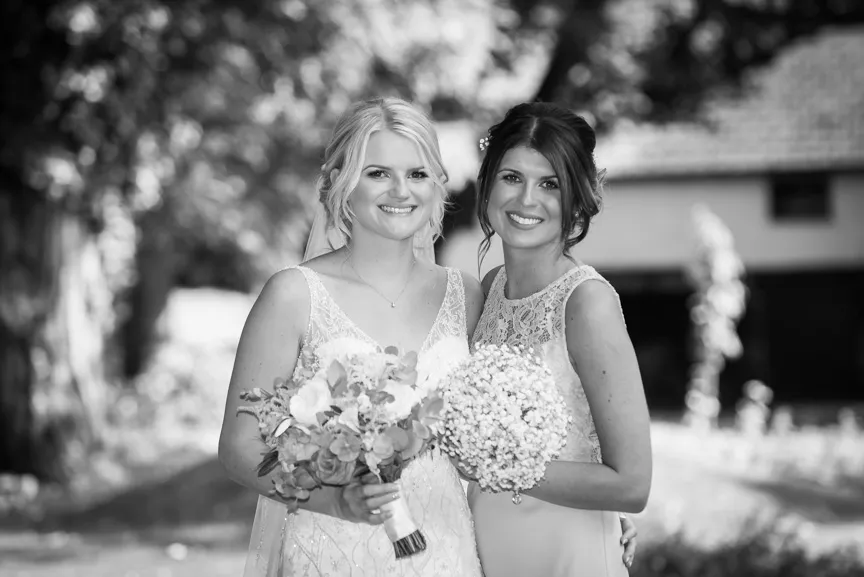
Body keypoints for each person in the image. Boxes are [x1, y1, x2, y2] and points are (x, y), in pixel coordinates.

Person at [218, 97, 485, 576]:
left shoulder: (465, 294)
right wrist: (336, 501)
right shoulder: (293, 294)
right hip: (332, 551)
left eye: (417, 174)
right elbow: (240, 448)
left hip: (446, 552)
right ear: (342, 183)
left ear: (436, 185)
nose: (401, 190)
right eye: (378, 173)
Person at [468, 102, 652, 576]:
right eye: (512, 177)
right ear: (487, 183)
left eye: (550, 184)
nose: (527, 199)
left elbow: (632, 485)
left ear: (576, 197)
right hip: (490, 545)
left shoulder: (586, 303)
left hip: (567, 550)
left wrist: (494, 464)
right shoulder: (488, 290)